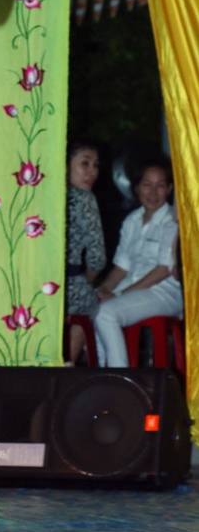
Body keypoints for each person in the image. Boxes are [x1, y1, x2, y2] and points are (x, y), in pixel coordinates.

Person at [94, 157, 183, 367]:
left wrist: (119, 295)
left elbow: (163, 270)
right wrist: (104, 289)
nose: (153, 193)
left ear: (169, 189)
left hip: (163, 292)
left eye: (160, 185)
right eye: (146, 185)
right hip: (134, 289)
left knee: (106, 313)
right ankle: (99, 371)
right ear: (136, 188)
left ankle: (119, 379)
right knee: (93, 305)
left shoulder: (171, 221)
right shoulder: (132, 220)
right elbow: (121, 267)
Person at [65, 140, 106, 364]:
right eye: (85, 163)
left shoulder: (41, 194)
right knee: (91, 301)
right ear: (66, 165)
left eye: (96, 165)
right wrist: (87, 281)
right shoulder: (85, 199)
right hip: (70, 288)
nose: (92, 172)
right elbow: (97, 258)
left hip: (38, 287)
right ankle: (66, 364)